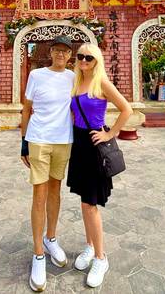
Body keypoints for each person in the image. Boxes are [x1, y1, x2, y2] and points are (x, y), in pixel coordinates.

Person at [67, 43, 132, 288]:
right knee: (84, 202)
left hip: (94, 145)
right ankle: (89, 246)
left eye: (89, 58)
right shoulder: (75, 82)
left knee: (91, 204)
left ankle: (101, 258)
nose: (84, 61)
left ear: (97, 61)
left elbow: (127, 109)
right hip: (79, 146)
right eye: (81, 57)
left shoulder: (102, 83)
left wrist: (109, 134)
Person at [21, 35, 75, 292]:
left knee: (56, 190)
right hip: (39, 139)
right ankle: (38, 253)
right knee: (39, 193)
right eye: (57, 50)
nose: (61, 55)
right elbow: (26, 109)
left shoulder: (74, 78)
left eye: (65, 51)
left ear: (70, 55)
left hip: (63, 140)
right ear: (50, 52)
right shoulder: (36, 75)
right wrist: (23, 141)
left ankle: (51, 238)